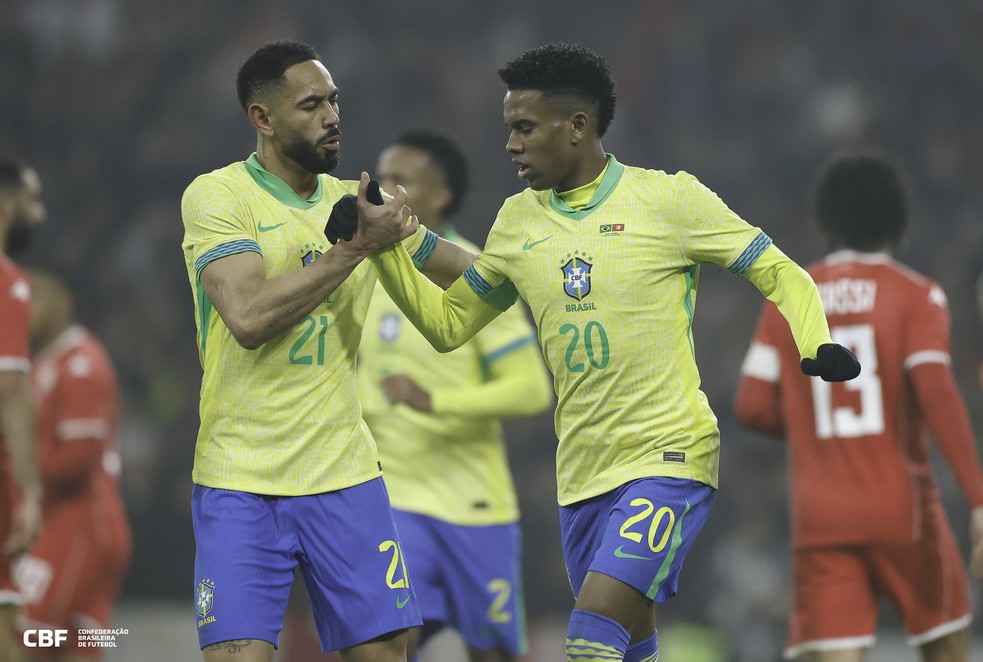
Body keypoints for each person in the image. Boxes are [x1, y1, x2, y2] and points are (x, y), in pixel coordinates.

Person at [358, 43, 860, 662]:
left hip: (667, 454)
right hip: (583, 476)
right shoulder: (516, 222)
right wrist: (385, 251)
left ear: (577, 127)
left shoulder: (669, 200)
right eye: (508, 129)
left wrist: (817, 342)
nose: (511, 144)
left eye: (524, 128)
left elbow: (780, 271)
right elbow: (449, 323)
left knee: (591, 632)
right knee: (629, 648)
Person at [180, 40, 433, 662]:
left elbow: (464, 278)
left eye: (335, 101)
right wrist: (351, 251)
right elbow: (246, 317)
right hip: (240, 478)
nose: (332, 116)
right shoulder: (218, 197)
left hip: (344, 475)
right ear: (262, 119)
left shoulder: (360, 204)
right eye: (312, 104)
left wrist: (535, 256)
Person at [734, 151, 983, 661]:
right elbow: (937, 394)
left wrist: (810, 426)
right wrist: (979, 499)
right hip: (904, 509)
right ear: (898, 218)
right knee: (947, 649)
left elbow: (751, 405)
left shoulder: (789, 296)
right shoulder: (918, 295)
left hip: (821, 514)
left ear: (826, 219)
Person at [363, 129, 553, 661]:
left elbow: (530, 389)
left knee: (492, 654)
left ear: (439, 196)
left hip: (475, 506)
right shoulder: (361, 268)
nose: (383, 190)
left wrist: (436, 402)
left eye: (400, 181)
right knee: (386, 646)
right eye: (382, 178)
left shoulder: (477, 276)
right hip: (394, 501)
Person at [13, 267, 132, 660]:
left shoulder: (81, 363)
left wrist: (16, 478)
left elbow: (78, 458)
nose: (27, 305)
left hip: (78, 525)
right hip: (80, 526)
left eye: (38, 294)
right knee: (78, 646)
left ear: (64, 302)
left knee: (23, 638)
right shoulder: (47, 361)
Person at [0, 155, 44, 658]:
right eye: (33, 201)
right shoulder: (9, 283)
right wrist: (30, 495)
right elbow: (9, 393)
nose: (41, 213)